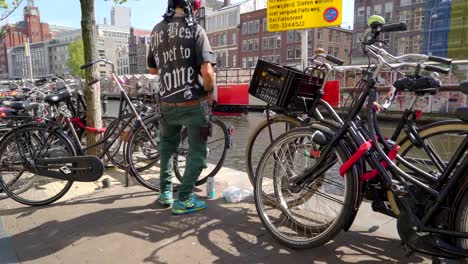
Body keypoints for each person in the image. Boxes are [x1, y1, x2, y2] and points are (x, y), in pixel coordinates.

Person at [147, 0, 216, 215]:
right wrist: (209, 91)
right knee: (198, 151)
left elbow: (152, 69)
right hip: (193, 102)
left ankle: (165, 193)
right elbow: (207, 71)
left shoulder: (156, 30)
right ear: (193, 6)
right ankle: (184, 198)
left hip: (166, 101)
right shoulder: (196, 29)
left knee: (167, 147)